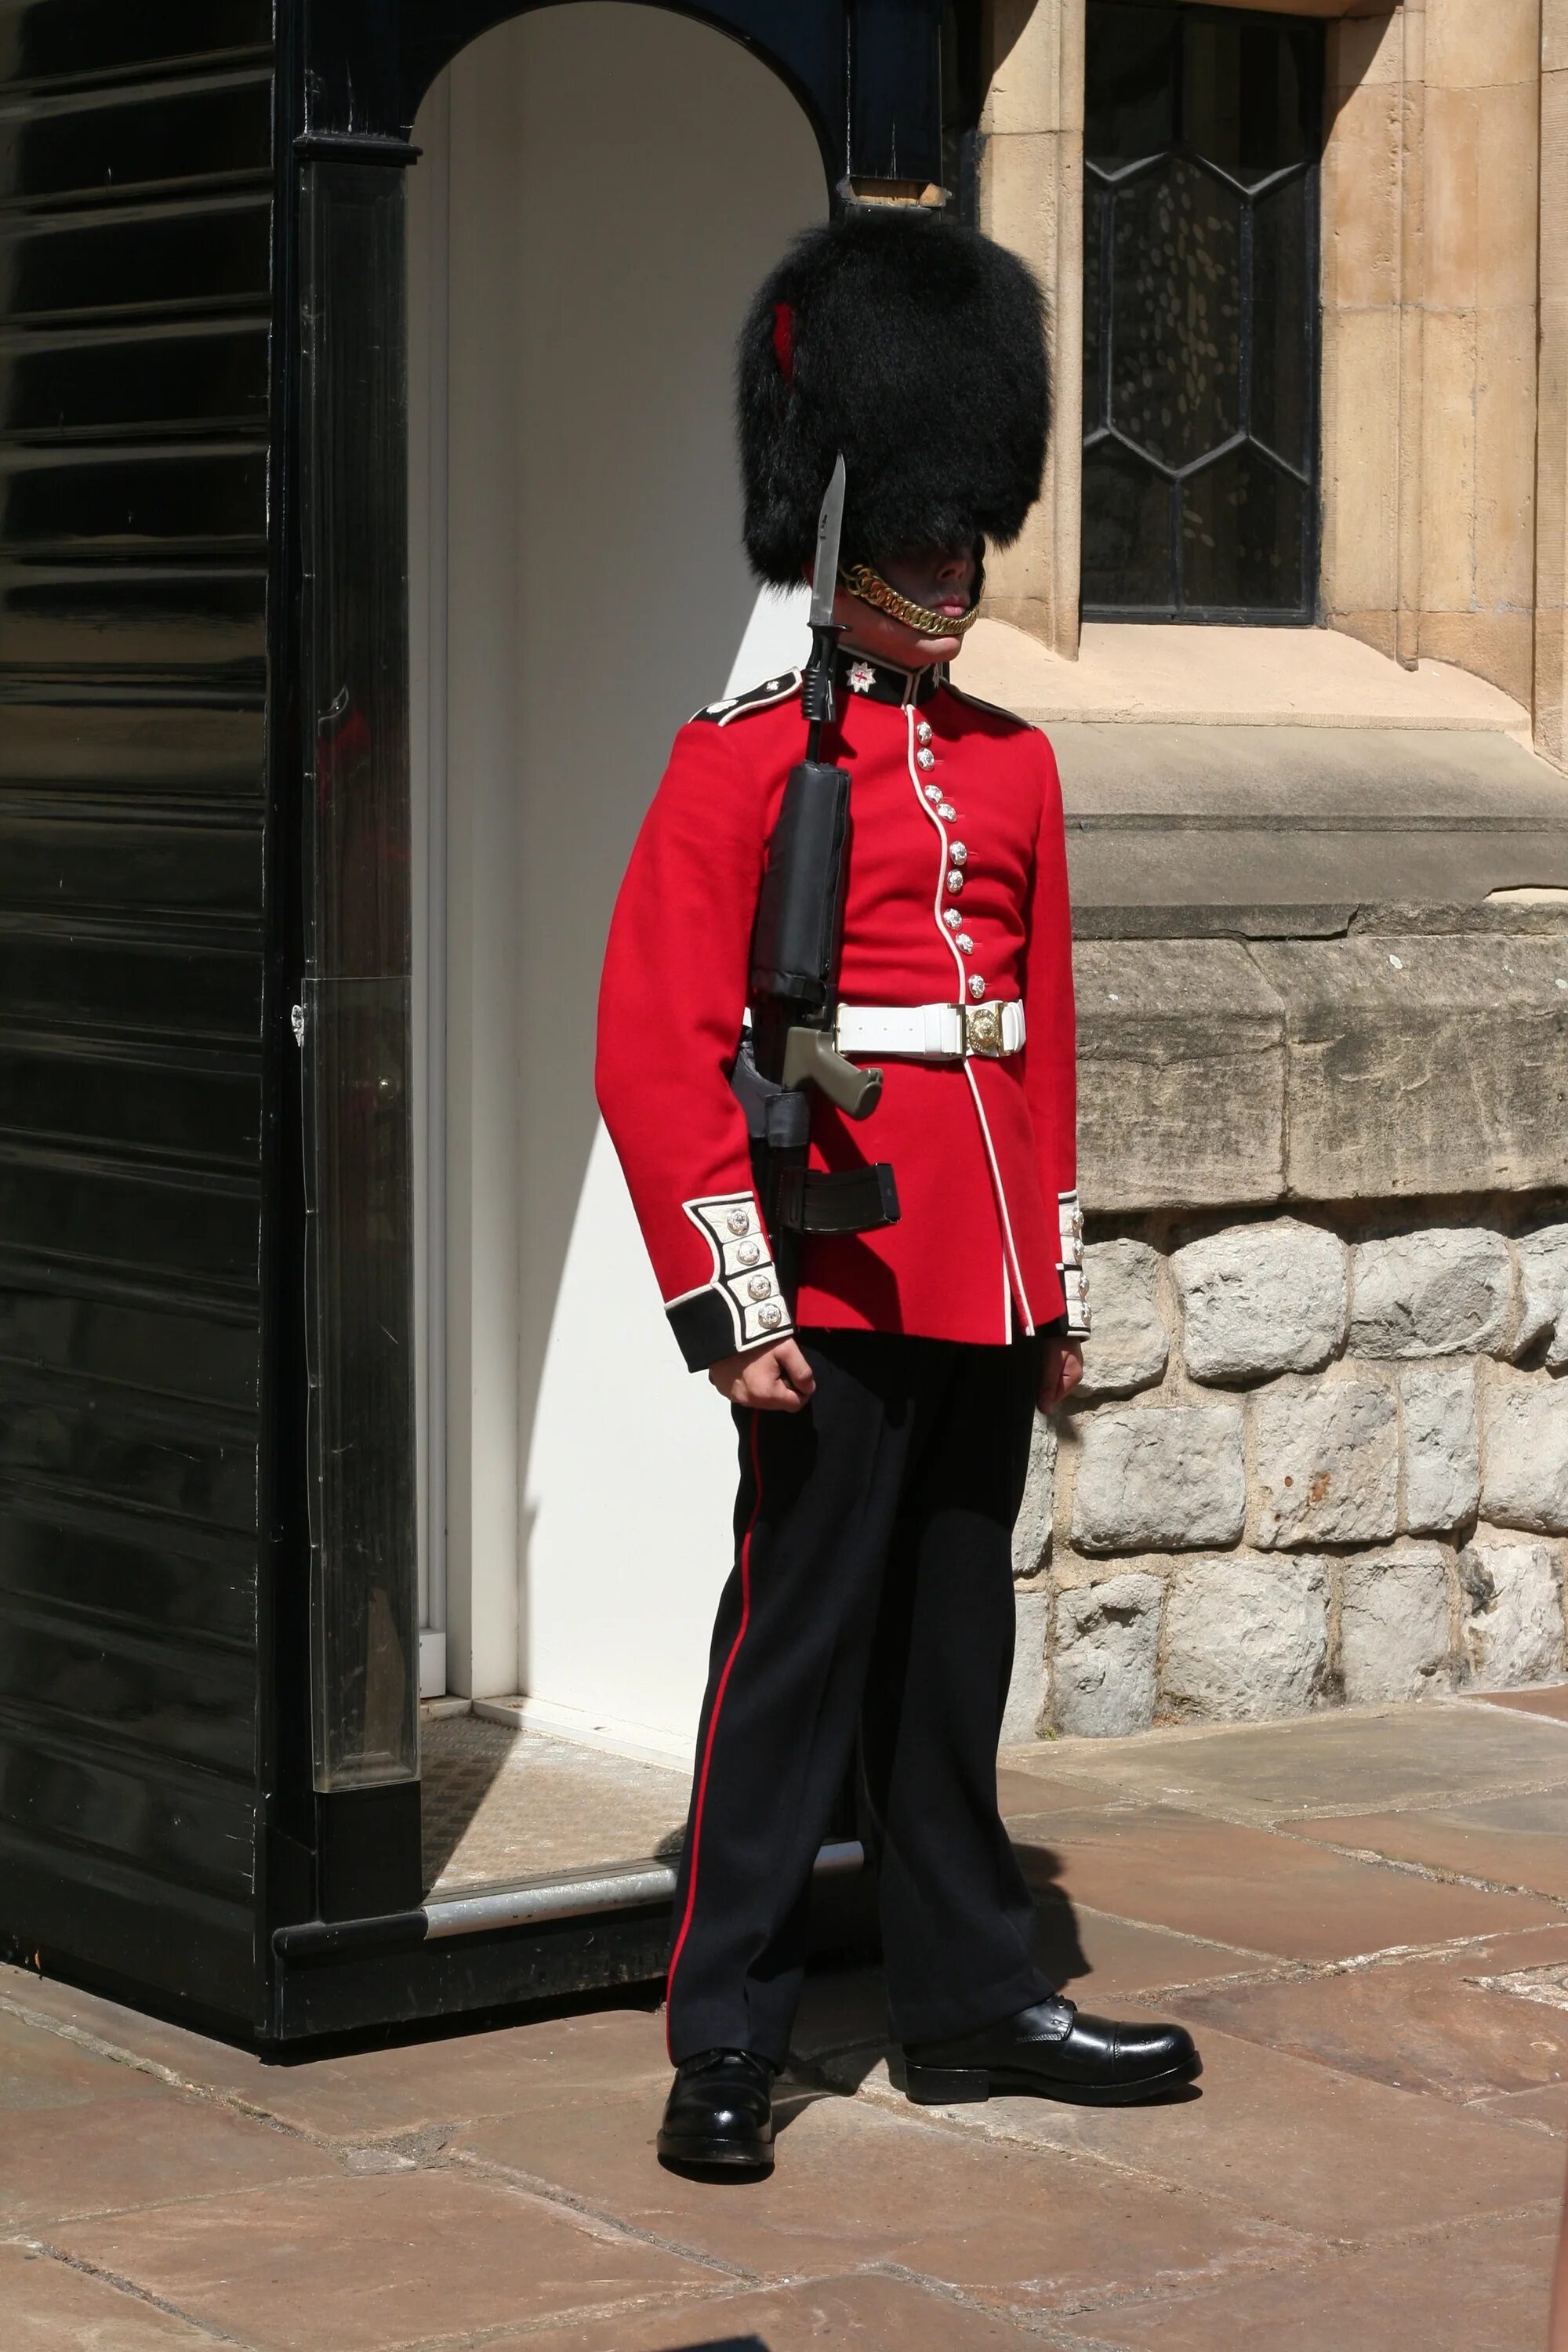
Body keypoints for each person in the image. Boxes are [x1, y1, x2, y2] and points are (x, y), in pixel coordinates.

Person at [596, 208, 1200, 2178]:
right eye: (923, 536)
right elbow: (656, 1046)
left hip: (973, 1273)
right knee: (787, 1661)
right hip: (830, 1269)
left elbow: (1035, 1045)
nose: (950, 570)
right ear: (849, 533)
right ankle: (726, 2032)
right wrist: (735, 1305)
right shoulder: (743, 765)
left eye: (965, 538)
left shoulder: (1012, 771)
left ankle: (966, 1998)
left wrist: (1053, 1296)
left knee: (953, 1658)